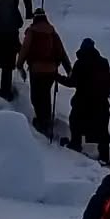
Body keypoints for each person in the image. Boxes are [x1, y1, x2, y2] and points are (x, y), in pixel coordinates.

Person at [18, 7, 71, 137]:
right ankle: (46, 120)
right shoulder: (52, 31)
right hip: (51, 70)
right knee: (46, 94)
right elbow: (61, 51)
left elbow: (25, 49)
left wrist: (19, 65)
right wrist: (69, 69)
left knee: (36, 96)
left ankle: (41, 121)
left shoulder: (32, 31)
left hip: (36, 70)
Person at [65, 38, 110, 162]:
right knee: (102, 129)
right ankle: (104, 156)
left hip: (82, 102)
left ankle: (75, 144)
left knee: (75, 121)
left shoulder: (80, 63)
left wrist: (57, 77)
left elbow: (72, 82)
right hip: (101, 102)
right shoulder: (103, 62)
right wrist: (106, 93)